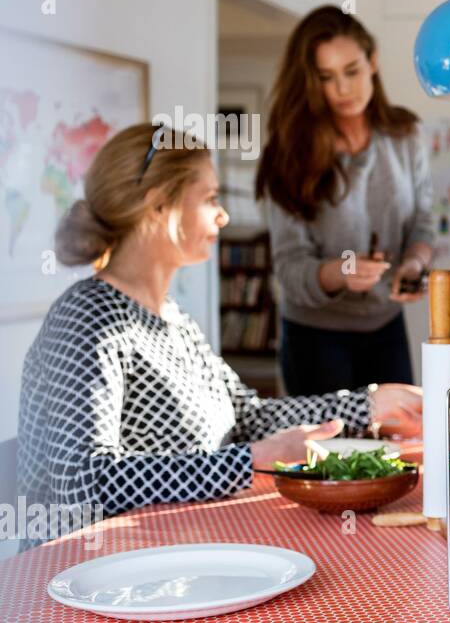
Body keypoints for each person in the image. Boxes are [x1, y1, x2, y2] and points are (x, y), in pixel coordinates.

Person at [17, 124, 422, 545]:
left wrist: (370, 404)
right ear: (158, 206)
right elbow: (83, 485)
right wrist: (251, 461)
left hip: (175, 555)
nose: (223, 215)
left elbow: (247, 418)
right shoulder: (88, 319)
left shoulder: (172, 318)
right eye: (210, 199)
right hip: (92, 582)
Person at [257, 5, 436, 396]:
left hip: (386, 326)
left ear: (373, 62)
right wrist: (341, 272)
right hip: (315, 336)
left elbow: (424, 221)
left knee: (399, 448)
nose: (342, 89)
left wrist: (414, 263)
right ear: (310, 82)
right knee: (329, 454)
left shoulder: (406, 135)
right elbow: (289, 269)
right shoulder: (288, 153)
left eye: (351, 71)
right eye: (326, 77)